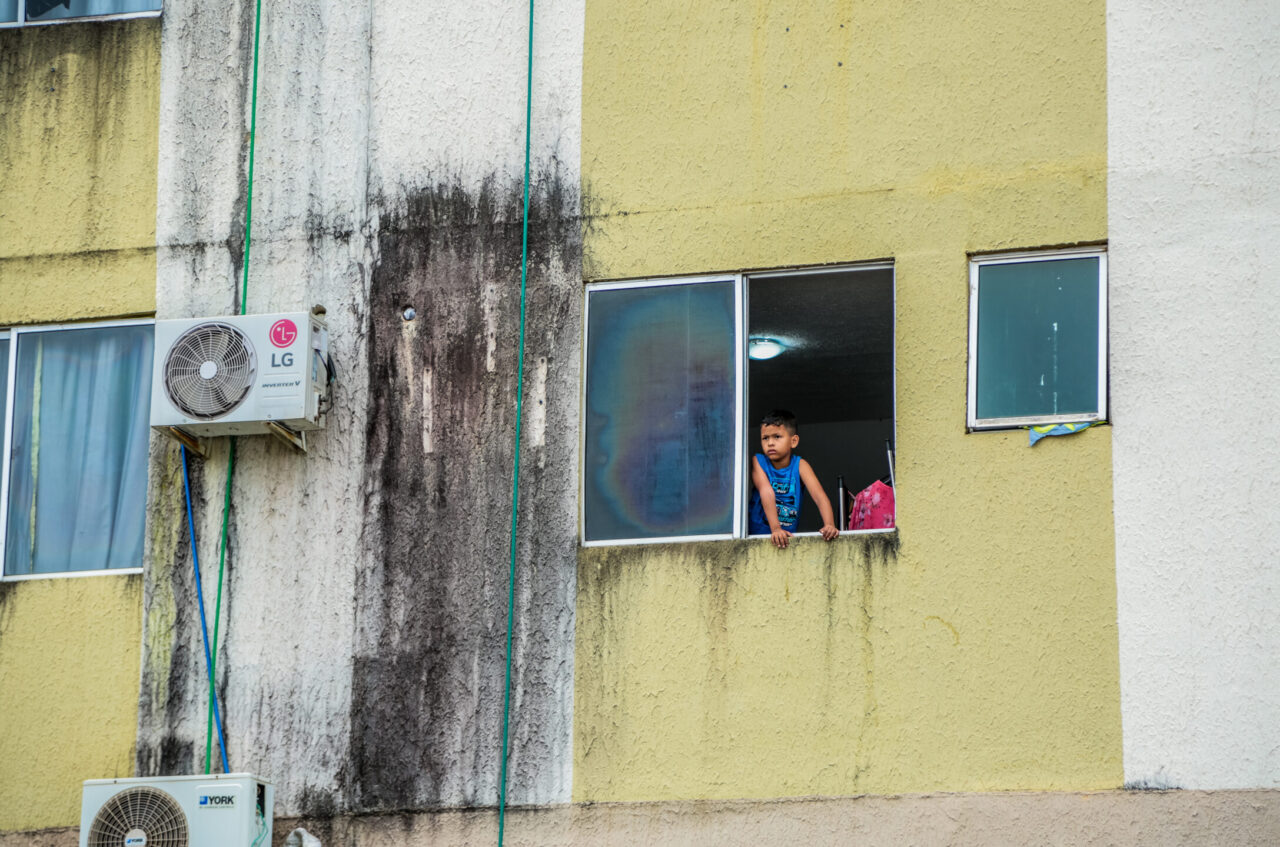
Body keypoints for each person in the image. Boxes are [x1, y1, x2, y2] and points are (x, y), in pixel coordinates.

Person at [748, 409, 839, 548]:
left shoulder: (800, 465)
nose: (770, 443)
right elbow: (766, 491)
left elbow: (819, 497)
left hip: (786, 539)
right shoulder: (758, 461)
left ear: (794, 441)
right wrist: (776, 529)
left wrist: (830, 525)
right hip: (757, 537)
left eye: (777, 436)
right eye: (765, 438)